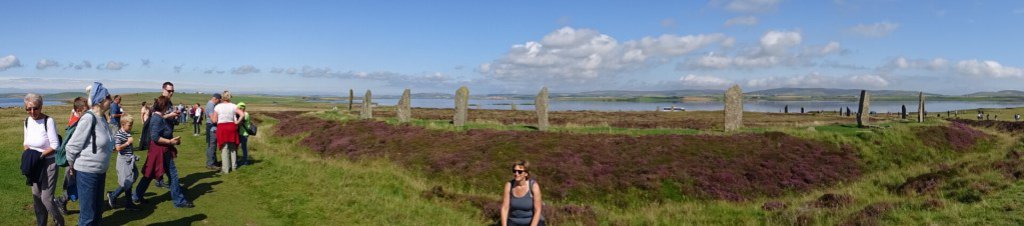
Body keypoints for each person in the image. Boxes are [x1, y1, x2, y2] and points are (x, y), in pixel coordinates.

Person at [65, 82, 116, 226]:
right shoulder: (89, 118)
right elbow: (72, 146)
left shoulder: (102, 118)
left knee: (97, 212)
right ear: (100, 100)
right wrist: (71, 167)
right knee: (88, 215)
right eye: (108, 97)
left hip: (100, 172)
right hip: (87, 172)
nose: (110, 100)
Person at [133, 96, 195, 208]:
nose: (168, 108)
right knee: (172, 174)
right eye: (168, 106)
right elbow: (155, 137)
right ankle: (179, 201)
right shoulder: (157, 118)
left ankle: (136, 196)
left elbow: (161, 118)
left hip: (159, 150)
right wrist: (170, 141)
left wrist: (171, 115)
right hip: (160, 150)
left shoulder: (157, 116)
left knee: (150, 173)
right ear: (164, 106)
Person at [22, 93, 65, 226]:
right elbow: (26, 143)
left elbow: (55, 145)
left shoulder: (48, 121)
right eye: (28, 109)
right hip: (35, 164)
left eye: (35, 108)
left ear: (41, 107)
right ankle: (42, 223)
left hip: (48, 163)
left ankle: (60, 222)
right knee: (36, 197)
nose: (32, 112)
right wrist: (30, 157)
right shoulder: (27, 121)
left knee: (46, 199)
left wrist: (39, 156)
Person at [107, 114, 139, 210]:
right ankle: (122, 200)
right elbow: (117, 148)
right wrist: (128, 143)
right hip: (124, 160)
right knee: (128, 181)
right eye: (129, 125)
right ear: (123, 124)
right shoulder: (119, 134)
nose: (131, 127)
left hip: (130, 160)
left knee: (132, 178)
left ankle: (113, 195)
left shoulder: (127, 132)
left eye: (131, 125)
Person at [500, 160, 544, 226]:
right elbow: (505, 208)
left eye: (520, 172)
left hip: (531, 221)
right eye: (514, 171)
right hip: (514, 221)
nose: (516, 174)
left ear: (526, 174)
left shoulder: (533, 186)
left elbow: (537, 210)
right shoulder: (509, 185)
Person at [213, 91, 245, 173]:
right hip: (232, 127)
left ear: (222, 97)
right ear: (230, 97)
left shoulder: (218, 107)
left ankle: (225, 169)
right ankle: (234, 167)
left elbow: (214, 120)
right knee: (233, 148)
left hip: (222, 127)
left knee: (224, 148)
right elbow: (242, 114)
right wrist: (237, 122)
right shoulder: (234, 106)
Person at [204, 93, 222, 170]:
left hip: (210, 126)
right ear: (216, 99)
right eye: (219, 101)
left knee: (211, 145)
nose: (219, 102)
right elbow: (213, 119)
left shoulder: (209, 104)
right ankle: (210, 163)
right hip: (212, 127)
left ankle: (214, 161)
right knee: (212, 145)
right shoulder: (211, 105)